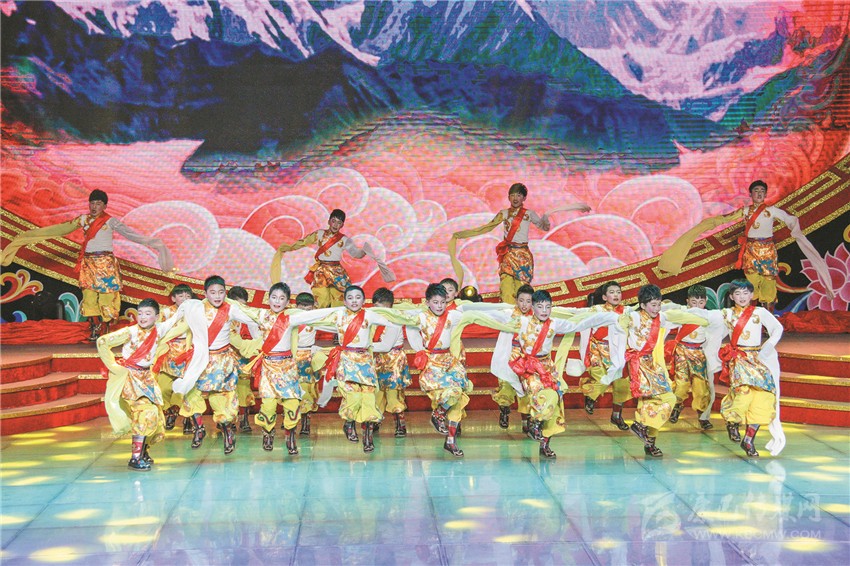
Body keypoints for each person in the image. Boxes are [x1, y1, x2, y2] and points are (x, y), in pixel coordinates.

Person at [1, 189, 173, 341]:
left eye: (98, 203)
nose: (94, 206)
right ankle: (94, 327)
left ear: (104, 206)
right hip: (88, 263)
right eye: (92, 203)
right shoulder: (83, 220)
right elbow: (59, 229)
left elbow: (131, 234)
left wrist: (154, 243)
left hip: (105, 264)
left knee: (106, 297)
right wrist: (30, 236)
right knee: (89, 296)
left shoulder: (110, 221)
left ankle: (106, 328)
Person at [375, 284, 518, 457]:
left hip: (450, 362)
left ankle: (450, 440)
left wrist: (506, 311)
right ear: (427, 302)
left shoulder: (452, 315)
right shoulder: (421, 317)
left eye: (442, 302)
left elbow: (477, 314)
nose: (440, 306)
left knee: (457, 398)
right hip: (433, 364)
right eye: (435, 302)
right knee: (452, 394)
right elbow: (396, 315)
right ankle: (439, 413)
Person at [659, 180, 834, 311]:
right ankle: (750, 316)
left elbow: (790, 219)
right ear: (750, 194)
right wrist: (707, 224)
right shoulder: (745, 211)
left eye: (762, 191)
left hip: (768, 251)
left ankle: (767, 318)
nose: (759, 194)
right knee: (750, 283)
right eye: (756, 191)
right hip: (750, 251)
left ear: (765, 194)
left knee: (769, 283)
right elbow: (725, 219)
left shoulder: (772, 211)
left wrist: (795, 230)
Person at [486, 290, 620, 458]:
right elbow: (493, 317)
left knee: (555, 403)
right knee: (543, 397)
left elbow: (580, 324)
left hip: (547, 368)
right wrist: (466, 314)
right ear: (533, 307)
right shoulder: (522, 322)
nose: (544, 311)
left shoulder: (555, 323)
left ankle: (544, 443)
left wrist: (611, 318)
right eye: (540, 306)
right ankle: (533, 422)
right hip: (529, 369)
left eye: (547, 307)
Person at [606, 285, 708, 458]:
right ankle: (642, 428)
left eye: (658, 304)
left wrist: (710, 319)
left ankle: (648, 439)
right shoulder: (633, 317)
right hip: (638, 364)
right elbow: (614, 326)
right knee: (657, 400)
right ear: (643, 305)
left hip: (653, 364)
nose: (656, 308)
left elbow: (680, 315)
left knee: (661, 401)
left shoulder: (661, 317)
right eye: (653, 305)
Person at [448, 183, 590, 303]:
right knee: (506, 289)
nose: (515, 198)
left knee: (522, 292)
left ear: (524, 198)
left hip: (523, 256)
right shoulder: (504, 213)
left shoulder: (529, 214)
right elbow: (487, 227)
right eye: (512, 195)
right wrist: (462, 234)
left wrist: (547, 216)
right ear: (508, 197)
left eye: (519, 195)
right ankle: (507, 320)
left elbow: (544, 227)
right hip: (508, 254)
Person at [170, 275, 263, 455]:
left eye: (221, 292)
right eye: (213, 292)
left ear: (225, 293)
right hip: (200, 360)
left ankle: (227, 432)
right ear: (205, 293)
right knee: (190, 393)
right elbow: (178, 326)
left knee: (223, 399)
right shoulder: (196, 308)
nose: (217, 296)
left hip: (222, 361)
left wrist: (275, 320)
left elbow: (253, 317)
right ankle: (199, 428)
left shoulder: (230, 309)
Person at [302, 285, 400, 453]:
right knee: (353, 397)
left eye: (358, 297)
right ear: (345, 301)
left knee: (369, 399)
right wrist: (295, 315)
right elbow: (315, 317)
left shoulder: (369, 315)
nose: (354, 301)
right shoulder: (339, 314)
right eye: (350, 298)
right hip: (347, 361)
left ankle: (368, 438)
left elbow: (391, 319)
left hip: (365, 362)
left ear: (363, 300)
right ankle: (349, 423)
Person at [97, 298, 181, 471]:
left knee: (157, 418)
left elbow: (177, 319)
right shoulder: (131, 331)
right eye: (140, 313)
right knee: (145, 414)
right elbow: (102, 342)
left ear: (156, 316)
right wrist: (113, 366)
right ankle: (135, 457)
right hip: (131, 378)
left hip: (146, 378)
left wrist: (192, 306)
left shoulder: (159, 329)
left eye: (147, 314)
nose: (142, 317)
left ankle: (143, 451)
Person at [244, 282, 320, 455]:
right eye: (274, 297)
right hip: (269, 366)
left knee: (292, 403)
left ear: (287, 302)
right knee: (268, 405)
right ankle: (268, 432)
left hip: (288, 366)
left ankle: (290, 435)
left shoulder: (292, 317)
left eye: (281, 298)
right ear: (268, 299)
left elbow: (321, 317)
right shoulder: (262, 315)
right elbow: (240, 311)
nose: (277, 301)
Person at [715, 279, 785, 457]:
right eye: (737, 293)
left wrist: (768, 347)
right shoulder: (726, 314)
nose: (742, 297)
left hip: (758, 359)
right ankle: (732, 421)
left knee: (765, 397)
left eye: (745, 293)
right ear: (732, 296)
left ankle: (748, 439)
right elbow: (712, 328)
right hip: (738, 358)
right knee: (743, 393)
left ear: (752, 295)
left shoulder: (760, 312)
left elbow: (777, 328)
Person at [270, 209, 394, 308]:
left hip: (336, 272)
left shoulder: (344, 240)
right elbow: (303, 242)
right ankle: (317, 325)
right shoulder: (319, 234)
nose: (335, 225)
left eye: (339, 223)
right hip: (321, 271)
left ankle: (336, 328)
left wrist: (364, 251)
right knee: (321, 298)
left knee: (339, 299)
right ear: (329, 221)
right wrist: (288, 248)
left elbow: (356, 254)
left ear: (342, 225)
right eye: (333, 221)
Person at [577, 281, 631, 430]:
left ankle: (616, 415)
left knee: (622, 384)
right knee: (602, 378)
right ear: (604, 297)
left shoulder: (627, 311)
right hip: (598, 350)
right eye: (612, 292)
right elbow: (578, 316)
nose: (616, 295)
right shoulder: (596, 310)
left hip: (618, 352)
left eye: (618, 292)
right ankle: (590, 395)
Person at [664, 285, 716, 429]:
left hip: (699, 353)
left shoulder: (710, 316)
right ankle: (676, 406)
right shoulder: (682, 312)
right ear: (687, 301)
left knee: (701, 387)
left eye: (701, 302)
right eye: (694, 302)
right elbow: (667, 313)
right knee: (681, 383)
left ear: (706, 301)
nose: (697, 306)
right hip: (682, 351)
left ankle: (703, 416)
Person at [371, 287, 412, 437]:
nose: (377, 308)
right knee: (377, 392)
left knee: (393, 393)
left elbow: (386, 346)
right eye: (375, 305)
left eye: (380, 305)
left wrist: (364, 347)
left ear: (389, 305)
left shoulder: (394, 320)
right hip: (378, 359)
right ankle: (376, 419)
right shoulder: (374, 320)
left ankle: (400, 424)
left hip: (393, 360)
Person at [155, 284, 194, 434]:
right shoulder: (165, 312)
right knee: (163, 386)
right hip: (169, 350)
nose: (184, 299)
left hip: (188, 350)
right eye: (181, 296)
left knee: (186, 389)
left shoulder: (196, 312)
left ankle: (187, 419)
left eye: (188, 296)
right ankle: (170, 411)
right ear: (173, 298)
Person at [227, 286, 260, 434]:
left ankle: (244, 419)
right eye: (238, 305)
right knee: (227, 388)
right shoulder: (224, 317)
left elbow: (257, 335)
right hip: (226, 356)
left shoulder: (248, 316)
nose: (241, 308)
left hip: (243, 356)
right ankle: (229, 420)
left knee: (244, 387)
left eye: (243, 305)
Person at [294, 292, 320, 435]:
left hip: (307, 357)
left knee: (306, 390)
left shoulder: (315, 319)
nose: (304, 312)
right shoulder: (290, 319)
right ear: (295, 306)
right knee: (291, 389)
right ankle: (291, 419)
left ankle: (306, 422)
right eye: (301, 308)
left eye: (308, 309)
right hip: (291, 357)